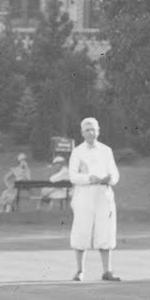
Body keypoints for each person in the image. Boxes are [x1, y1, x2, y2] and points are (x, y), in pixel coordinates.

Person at [65, 116, 121, 281]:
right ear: (82, 133)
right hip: (84, 195)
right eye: (87, 130)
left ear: (98, 131)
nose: (90, 132)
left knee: (106, 230)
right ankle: (80, 270)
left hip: (104, 195)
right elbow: (73, 176)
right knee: (82, 230)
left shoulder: (106, 150)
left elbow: (115, 174)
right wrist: (90, 178)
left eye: (93, 129)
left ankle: (107, 271)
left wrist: (109, 179)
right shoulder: (77, 152)